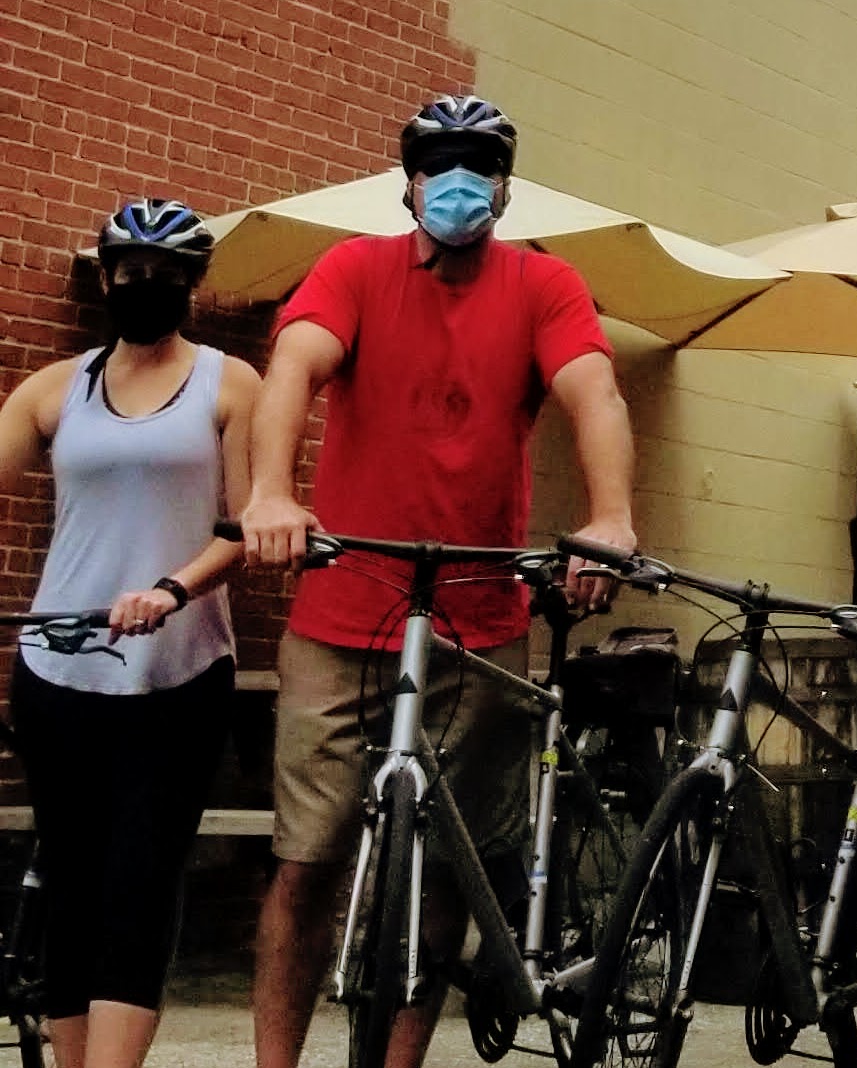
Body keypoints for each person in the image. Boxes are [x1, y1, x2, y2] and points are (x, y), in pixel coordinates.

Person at [240, 95, 636, 1068]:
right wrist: (268, 494)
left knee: (445, 868)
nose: (458, 182)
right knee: (306, 860)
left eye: (479, 165)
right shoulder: (354, 270)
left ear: (504, 187)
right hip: (339, 618)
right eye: (438, 164)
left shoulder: (545, 286)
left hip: (477, 622)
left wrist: (611, 517)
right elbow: (294, 362)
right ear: (409, 184)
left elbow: (592, 390)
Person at [0, 199, 260, 1068]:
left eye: (166, 275)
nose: (145, 286)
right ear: (108, 277)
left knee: (138, 883)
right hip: (57, 667)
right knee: (70, 879)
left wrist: (170, 588)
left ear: (191, 284)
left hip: (175, 673)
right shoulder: (51, 389)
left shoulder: (231, 384)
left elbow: (248, 525)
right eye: (130, 272)